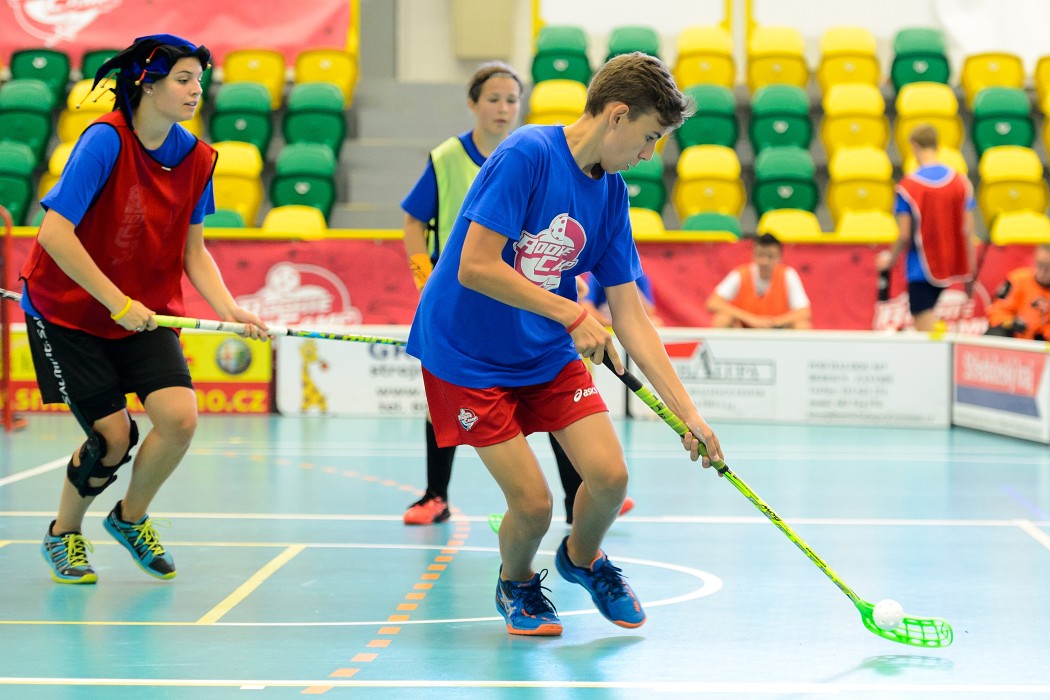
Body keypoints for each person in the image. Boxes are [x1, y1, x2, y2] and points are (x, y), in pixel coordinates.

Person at [407, 52, 723, 637]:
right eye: (650, 137)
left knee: (609, 478)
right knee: (531, 505)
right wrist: (570, 311)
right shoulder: (528, 152)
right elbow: (474, 266)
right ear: (617, 116)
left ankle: (582, 559)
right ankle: (518, 582)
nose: (649, 154)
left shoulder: (612, 195)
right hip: (465, 356)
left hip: (544, 353)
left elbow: (630, 315)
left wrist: (690, 416)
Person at [18, 34, 267, 584]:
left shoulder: (199, 158)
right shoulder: (105, 141)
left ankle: (130, 517)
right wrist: (116, 302)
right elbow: (55, 233)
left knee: (179, 419)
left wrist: (232, 309)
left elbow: (193, 252)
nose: (194, 91)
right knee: (112, 438)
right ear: (147, 86)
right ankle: (64, 533)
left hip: (145, 311)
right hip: (69, 314)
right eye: (182, 80)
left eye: (199, 82)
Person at [400, 62, 633, 526]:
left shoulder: (575, 168)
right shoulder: (454, 156)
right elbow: (415, 220)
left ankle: (578, 498)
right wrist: (422, 275)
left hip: (526, 306)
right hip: (464, 304)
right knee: (445, 406)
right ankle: (435, 494)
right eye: (493, 99)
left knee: (548, 394)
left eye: (511, 99)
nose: (504, 108)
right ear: (472, 104)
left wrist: (557, 276)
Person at [876, 123, 976, 332]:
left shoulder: (908, 187)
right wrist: (971, 271)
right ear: (937, 145)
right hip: (951, 265)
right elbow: (968, 230)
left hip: (921, 266)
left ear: (913, 146)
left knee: (923, 322)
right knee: (929, 319)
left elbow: (904, 235)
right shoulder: (961, 182)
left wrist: (889, 260)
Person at [706, 233, 812, 329]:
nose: (765, 261)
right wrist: (750, 319)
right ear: (753, 255)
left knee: (802, 325)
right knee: (722, 320)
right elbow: (713, 303)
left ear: (780, 257)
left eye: (770, 256)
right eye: (760, 255)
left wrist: (774, 322)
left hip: (776, 328)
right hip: (745, 327)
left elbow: (804, 312)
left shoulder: (788, 274)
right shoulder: (740, 273)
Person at [985, 244, 1050, 340]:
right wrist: (1011, 322)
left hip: (1042, 344)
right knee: (996, 333)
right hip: (1014, 337)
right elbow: (996, 311)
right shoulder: (1017, 280)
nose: (1042, 272)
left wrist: (1043, 331)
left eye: (1048, 268)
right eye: (1039, 265)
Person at [581, 271, 663, 326]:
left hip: (631, 322)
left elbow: (649, 312)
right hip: (606, 320)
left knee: (656, 322)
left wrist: (630, 284)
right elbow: (586, 307)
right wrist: (608, 322)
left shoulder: (638, 276)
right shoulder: (597, 275)